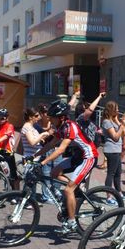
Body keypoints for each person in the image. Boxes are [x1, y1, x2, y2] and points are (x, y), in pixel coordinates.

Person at [33, 100, 98, 235]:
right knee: (54, 173)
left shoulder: (70, 127)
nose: (50, 119)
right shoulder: (61, 127)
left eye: (52, 117)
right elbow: (51, 144)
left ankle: (72, 222)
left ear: (61, 117)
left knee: (68, 190)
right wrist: (35, 155)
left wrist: (42, 162)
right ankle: (72, 192)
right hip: (78, 156)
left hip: (89, 157)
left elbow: (60, 149)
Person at [21, 107, 52, 202]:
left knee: (33, 180)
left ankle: (32, 200)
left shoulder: (31, 127)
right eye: (36, 116)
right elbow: (32, 142)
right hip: (31, 158)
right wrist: (42, 135)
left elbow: (36, 140)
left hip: (36, 157)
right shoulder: (27, 127)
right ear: (30, 117)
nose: (38, 117)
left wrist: (42, 138)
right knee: (30, 181)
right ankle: (28, 201)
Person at [101, 101, 125, 204]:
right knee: (111, 173)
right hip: (111, 150)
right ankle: (108, 197)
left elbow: (124, 133)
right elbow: (115, 137)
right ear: (111, 110)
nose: (118, 110)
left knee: (118, 173)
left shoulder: (114, 121)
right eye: (116, 109)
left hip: (117, 150)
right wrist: (122, 126)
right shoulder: (106, 122)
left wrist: (119, 123)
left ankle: (118, 192)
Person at [0, 108, 19, 190]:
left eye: (2, 118)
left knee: (13, 174)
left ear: (7, 118)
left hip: (8, 152)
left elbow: (6, 136)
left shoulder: (9, 126)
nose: (0, 120)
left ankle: (16, 193)